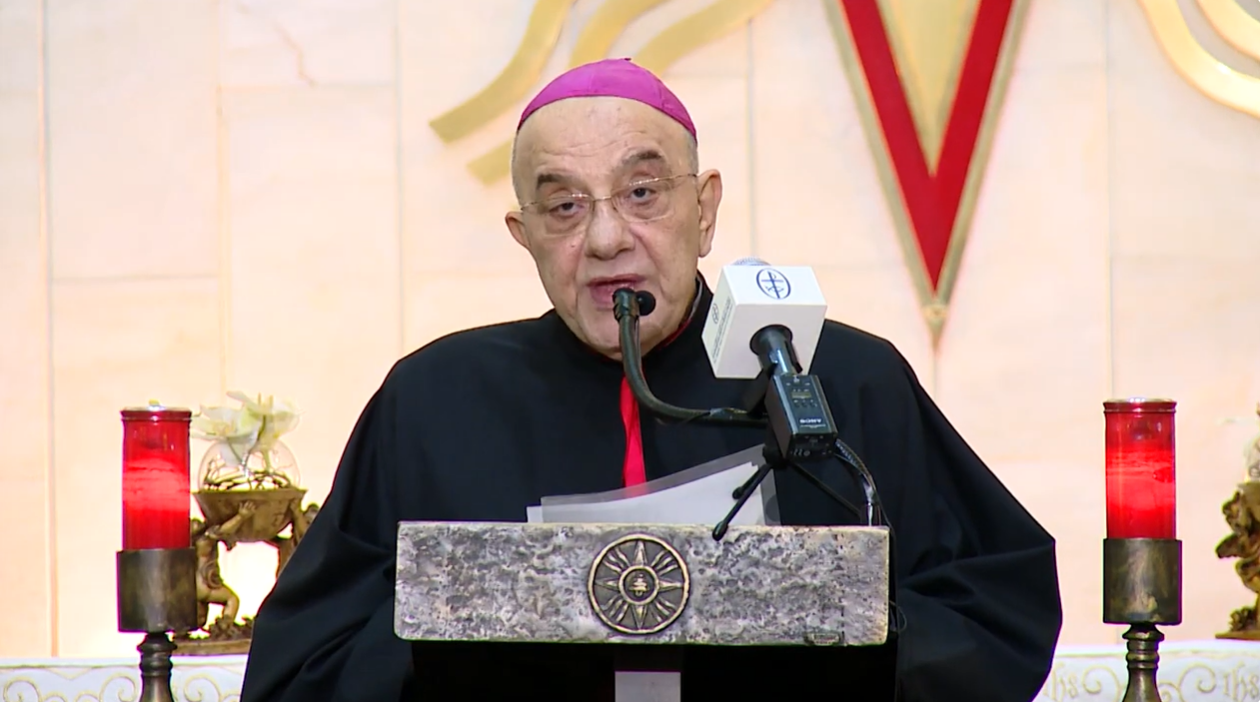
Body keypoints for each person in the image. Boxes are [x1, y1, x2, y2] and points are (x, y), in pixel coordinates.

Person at [239, 58, 1062, 701]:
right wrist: (471, 624)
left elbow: (994, 609)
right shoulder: (434, 401)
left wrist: (829, 629)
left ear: (704, 210)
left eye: (641, 193)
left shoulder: (835, 377)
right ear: (523, 234)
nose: (606, 239)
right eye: (565, 207)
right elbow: (302, 668)